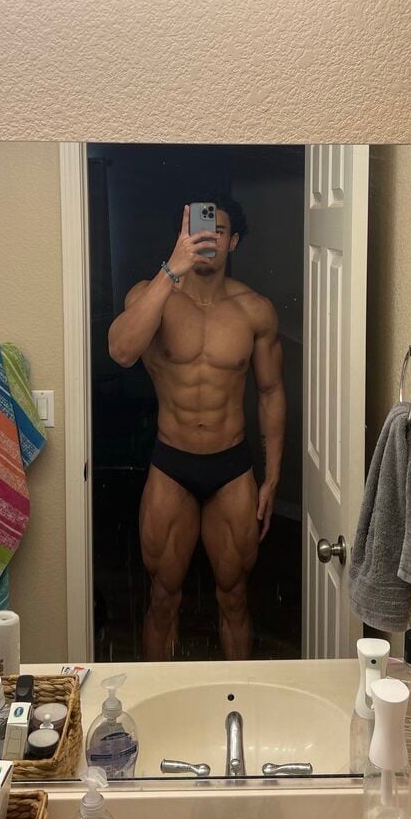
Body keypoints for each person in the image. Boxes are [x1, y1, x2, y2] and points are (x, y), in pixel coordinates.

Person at [108, 198, 286, 661]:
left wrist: (272, 477)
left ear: (234, 241)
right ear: (182, 234)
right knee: (163, 598)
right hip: (172, 463)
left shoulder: (255, 310)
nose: (209, 239)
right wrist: (173, 268)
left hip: (232, 467)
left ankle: (237, 695)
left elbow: (270, 392)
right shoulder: (151, 296)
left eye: (218, 231)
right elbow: (122, 352)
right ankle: (158, 700)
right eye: (198, 230)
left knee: (235, 596)